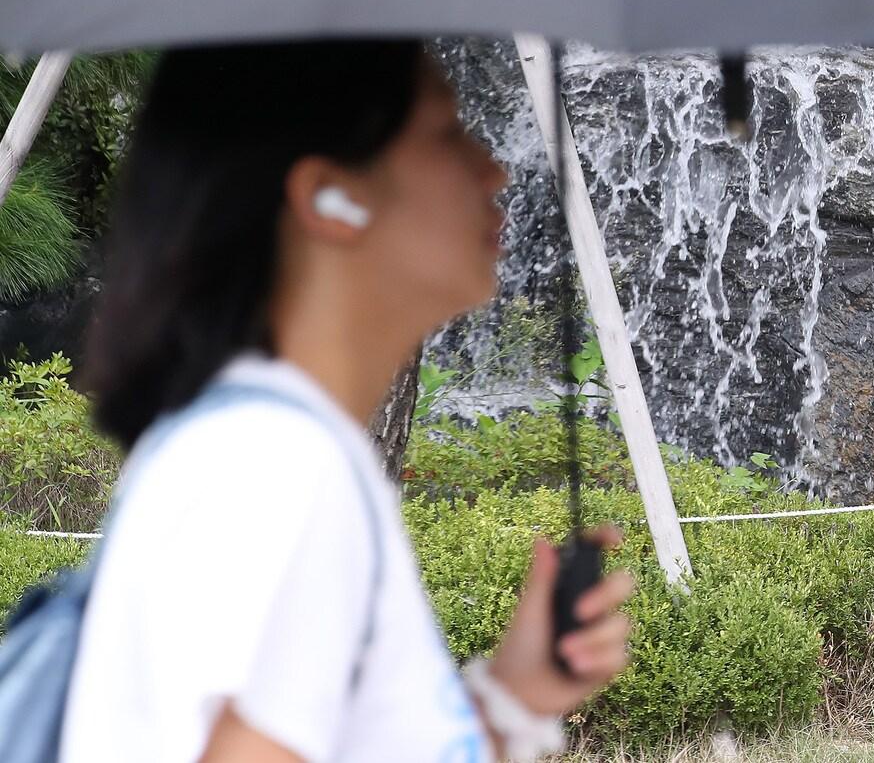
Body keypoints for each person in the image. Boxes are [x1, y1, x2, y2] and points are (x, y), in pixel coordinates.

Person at [63, 40, 634, 762]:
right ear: (330, 197)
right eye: (447, 132)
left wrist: (513, 698)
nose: (493, 168)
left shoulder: (265, 447)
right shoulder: (280, 468)